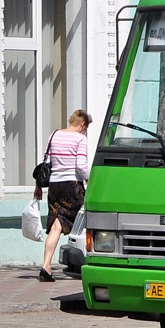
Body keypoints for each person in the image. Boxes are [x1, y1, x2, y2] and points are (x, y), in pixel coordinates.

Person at [37, 109, 92, 282]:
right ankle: (89, 262)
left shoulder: (54, 135)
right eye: (86, 127)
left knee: (56, 226)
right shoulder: (80, 139)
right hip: (72, 186)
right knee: (87, 220)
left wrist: (38, 186)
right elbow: (81, 166)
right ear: (82, 124)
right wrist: (92, 180)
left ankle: (46, 267)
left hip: (54, 186)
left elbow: (46, 163)